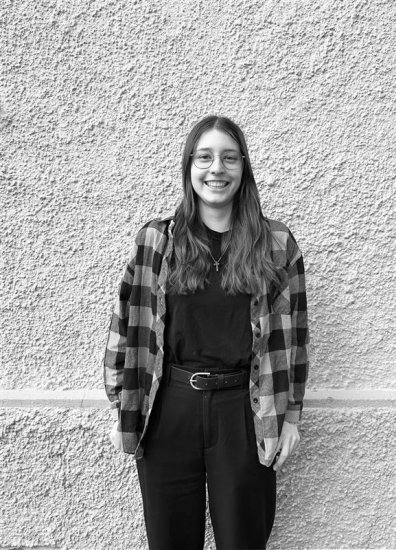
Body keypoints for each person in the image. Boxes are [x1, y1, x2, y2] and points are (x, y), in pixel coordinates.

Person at [104, 115, 310, 550]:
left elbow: (296, 335)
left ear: (243, 167)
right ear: (189, 166)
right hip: (168, 409)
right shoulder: (156, 241)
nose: (217, 168)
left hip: (245, 411)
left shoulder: (276, 244)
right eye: (205, 157)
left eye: (229, 158)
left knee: (243, 540)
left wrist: (291, 415)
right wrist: (122, 403)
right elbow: (125, 324)